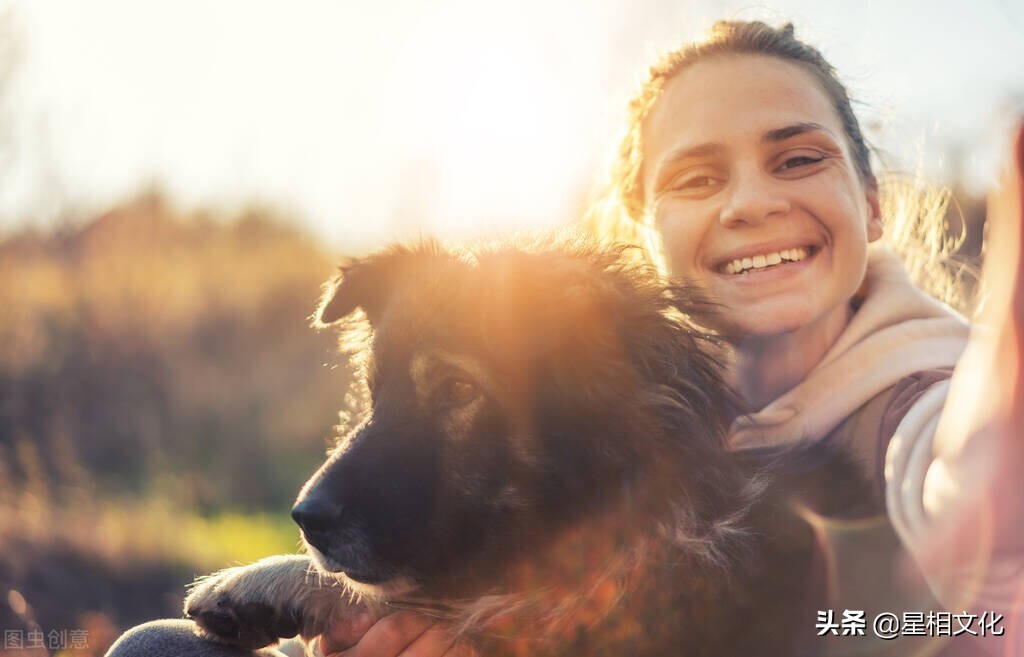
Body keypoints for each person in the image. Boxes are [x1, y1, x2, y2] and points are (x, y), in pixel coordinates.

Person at [108, 19, 1023, 657]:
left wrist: (979, 467)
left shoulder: (917, 389)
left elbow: (939, 509)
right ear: (642, 226)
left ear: (870, 200)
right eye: (698, 177)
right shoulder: (626, 389)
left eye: (797, 157)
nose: (751, 202)